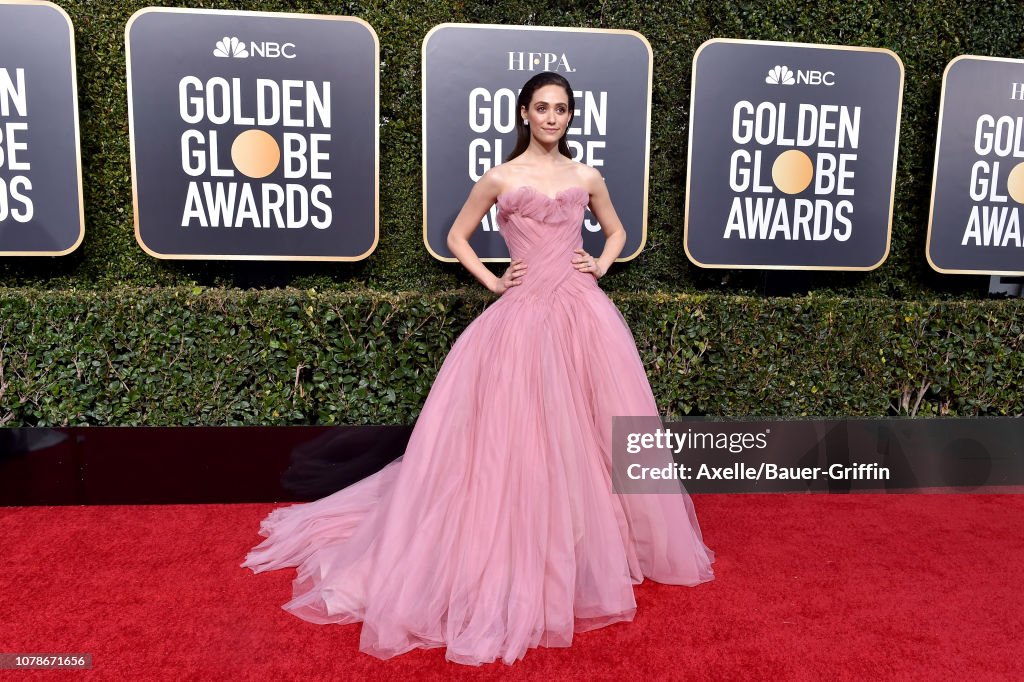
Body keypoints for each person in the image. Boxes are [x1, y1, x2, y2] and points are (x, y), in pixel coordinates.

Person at [241, 71, 715, 666]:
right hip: (519, 321)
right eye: (541, 107)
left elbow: (617, 230)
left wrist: (599, 263)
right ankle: (526, 553)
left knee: (588, 436)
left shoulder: (585, 175)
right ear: (523, 113)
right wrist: (493, 280)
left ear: (571, 116)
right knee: (518, 442)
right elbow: (457, 235)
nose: (551, 117)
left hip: (581, 317)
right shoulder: (499, 178)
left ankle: (590, 551)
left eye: (561, 109)